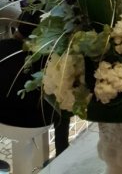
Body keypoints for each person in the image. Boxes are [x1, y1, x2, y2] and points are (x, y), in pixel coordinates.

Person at [0, 11, 70, 155]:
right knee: (62, 95)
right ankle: (62, 149)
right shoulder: (53, 58)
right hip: (39, 122)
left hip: (2, 119)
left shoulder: (3, 47)